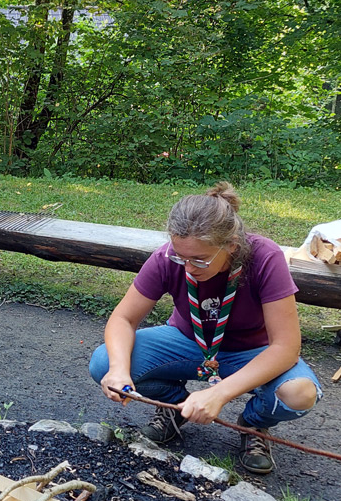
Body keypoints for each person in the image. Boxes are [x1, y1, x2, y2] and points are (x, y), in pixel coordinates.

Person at [89, 182, 321, 475]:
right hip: (188, 343)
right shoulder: (166, 258)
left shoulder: (265, 257)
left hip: (252, 351)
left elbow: (286, 348)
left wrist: (219, 393)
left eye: (200, 259)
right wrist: (119, 370)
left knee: (299, 394)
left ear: (232, 245)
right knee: (104, 362)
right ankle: (175, 405)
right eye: (180, 257)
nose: (187, 267)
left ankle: (253, 424)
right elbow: (123, 319)